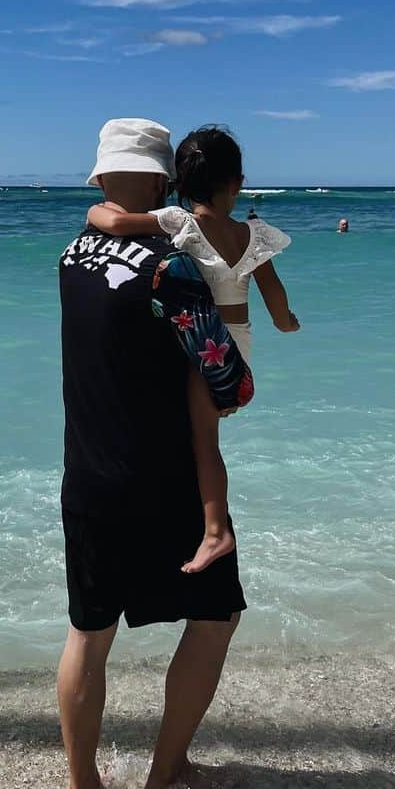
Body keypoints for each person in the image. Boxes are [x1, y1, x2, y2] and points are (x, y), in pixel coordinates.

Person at [58, 118, 254, 789]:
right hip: (161, 478)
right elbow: (229, 382)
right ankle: (164, 773)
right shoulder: (171, 270)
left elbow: (106, 224)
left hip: (84, 474)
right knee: (215, 616)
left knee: (89, 633)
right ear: (163, 178)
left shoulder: (73, 253)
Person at [86, 126, 298, 574]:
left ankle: (216, 532)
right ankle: (209, 520)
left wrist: (96, 205)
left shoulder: (180, 222)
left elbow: (114, 223)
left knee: (204, 442)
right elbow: (274, 295)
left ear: (177, 185)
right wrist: (287, 322)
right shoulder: (252, 233)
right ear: (237, 183)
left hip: (201, 340)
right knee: (205, 433)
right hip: (235, 342)